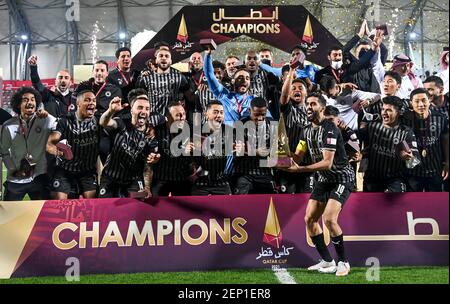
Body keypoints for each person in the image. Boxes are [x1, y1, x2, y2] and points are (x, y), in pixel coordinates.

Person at [283, 92, 355, 276]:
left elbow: (327, 163)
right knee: (309, 219)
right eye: (307, 103)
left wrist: (300, 170)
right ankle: (326, 260)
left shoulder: (330, 128)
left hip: (341, 178)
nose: (308, 106)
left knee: (329, 219)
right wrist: (280, 157)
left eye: (313, 104)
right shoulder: (305, 130)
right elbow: (298, 156)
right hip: (323, 179)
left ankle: (343, 262)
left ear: (322, 108)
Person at [98, 90, 159, 198]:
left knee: (134, 211)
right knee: (105, 210)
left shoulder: (151, 137)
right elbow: (103, 122)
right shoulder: (121, 123)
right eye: (140, 107)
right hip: (110, 177)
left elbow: (147, 167)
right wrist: (111, 110)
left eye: (147, 109)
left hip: (133, 181)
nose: (144, 111)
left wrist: (147, 187)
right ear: (131, 111)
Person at [1, 87, 56, 200]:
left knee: (44, 215)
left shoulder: (46, 120)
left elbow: (61, 126)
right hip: (16, 179)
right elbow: (4, 151)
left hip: (39, 177)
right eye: (25, 100)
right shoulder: (8, 125)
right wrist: (13, 169)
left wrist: (47, 115)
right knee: (9, 214)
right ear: (18, 104)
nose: (30, 102)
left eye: (32, 99)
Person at [46, 90, 101, 199]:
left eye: (94, 101)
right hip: (65, 169)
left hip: (87, 171)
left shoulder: (98, 121)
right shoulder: (65, 120)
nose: (92, 103)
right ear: (78, 104)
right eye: (87, 100)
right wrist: (58, 152)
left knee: (91, 206)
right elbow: (50, 144)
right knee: (59, 204)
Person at [359, 96, 419, 192]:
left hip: (395, 179)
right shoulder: (371, 126)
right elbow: (355, 139)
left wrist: (409, 157)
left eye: (389, 110)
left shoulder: (406, 133)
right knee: (371, 205)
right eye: (383, 109)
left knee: (395, 200)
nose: (384, 113)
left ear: (399, 112)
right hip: (373, 177)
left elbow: (415, 161)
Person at [204, 47, 272, 124]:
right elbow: (210, 76)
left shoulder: (254, 100)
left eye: (247, 78)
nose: (244, 80)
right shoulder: (223, 94)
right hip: (227, 134)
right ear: (233, 81)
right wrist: (207, 55)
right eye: (240, 78)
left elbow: (269, 119)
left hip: (248, 135)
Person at [315, 20, 383, 93]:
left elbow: (360, 62)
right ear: (328, 57)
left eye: (339, 55)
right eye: (335, 55)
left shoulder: (348, 69)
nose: (338, 57)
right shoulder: (322, 73)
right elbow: (322, 87)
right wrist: (359, 35)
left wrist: (373, 49)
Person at [402, 88, 449, 192]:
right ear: (411, 103)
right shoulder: (404, 119)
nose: (421, 104)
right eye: (416, 101)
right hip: (412, 172)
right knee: (413, 204)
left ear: (429, 100)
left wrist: (447, 162)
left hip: (435, 170)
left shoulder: (441, 118)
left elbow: (446, 140)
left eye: (424, 100)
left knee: (433, 204)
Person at [277, 73, 312, 193]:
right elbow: (284, 95)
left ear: (306, 93)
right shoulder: (287, 109)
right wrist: (291, 72)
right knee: (286, 203)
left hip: (307, 166)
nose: (297, 90)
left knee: (308, 202)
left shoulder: (312, 111)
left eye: (300, 88)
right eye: (293, 88)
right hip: (287, 164)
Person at [233, 97, 277, 195]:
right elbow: (239, 151)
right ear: (249, 111)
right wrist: (258, 152)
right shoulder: (240, 125)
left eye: (263, 114)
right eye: (256, 115)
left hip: (265, 173)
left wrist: (250, 151)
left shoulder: (273, 125)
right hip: (245, 174)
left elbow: (274, 154)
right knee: (239, 203)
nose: (260, 118)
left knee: (271, 205)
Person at [188, 101, 232, 195]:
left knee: (230, 208)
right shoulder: (195, 132)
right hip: (200, 182)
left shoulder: (229, 132)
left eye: (221, 112)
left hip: (222, 182)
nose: (219, 115)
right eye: (215, 112)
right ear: (206, 114)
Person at [150, 102, 193, 197]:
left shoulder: (190, 131)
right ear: (167, 117)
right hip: (161, 179)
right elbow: (149, 156)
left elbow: (192, 163)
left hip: (181, 180)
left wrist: (189, 153)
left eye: (184, 114)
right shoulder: (156, 131)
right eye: (178, 115)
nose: (182, 117)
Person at [138, 47, 193, 116]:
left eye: (167, 56)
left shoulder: (179, 77)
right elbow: (140, 101)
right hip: (153, 120)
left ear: (171, 61)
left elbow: (190, 98)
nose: (164, 58)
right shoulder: (146, 78)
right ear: (156, 60)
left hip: (173, 119)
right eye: (160, 56)